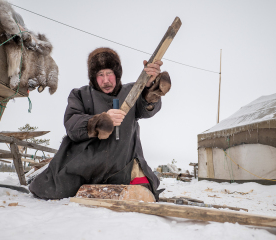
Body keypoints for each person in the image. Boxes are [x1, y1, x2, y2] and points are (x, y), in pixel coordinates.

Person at [29, 47, 171, 201]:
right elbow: (72, 125)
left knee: (144, 193)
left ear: (117, 74)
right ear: (93, 77)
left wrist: (150, 88)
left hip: (123, 166)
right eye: (100, 75)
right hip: (87, 165)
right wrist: (98, 122)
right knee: (51, 190)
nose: (105, 80)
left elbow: (147, 110)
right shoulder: (80, 95)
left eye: (109, 73)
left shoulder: (132, 92)